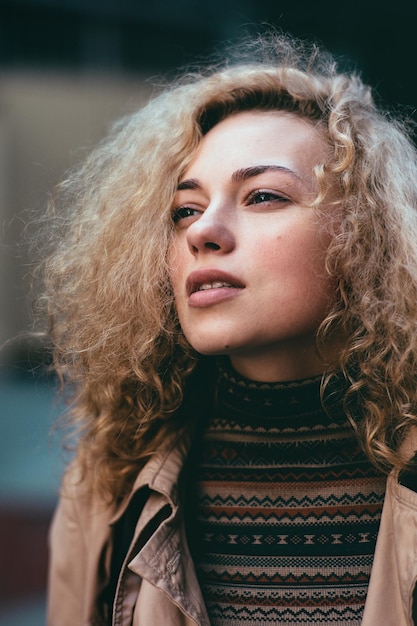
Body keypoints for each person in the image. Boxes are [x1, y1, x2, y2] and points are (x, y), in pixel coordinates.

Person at [41, 31, 417, 626]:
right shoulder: (109, 483)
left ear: (367, 236)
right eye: (184, 209)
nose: (202, 232)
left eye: (263, 195)